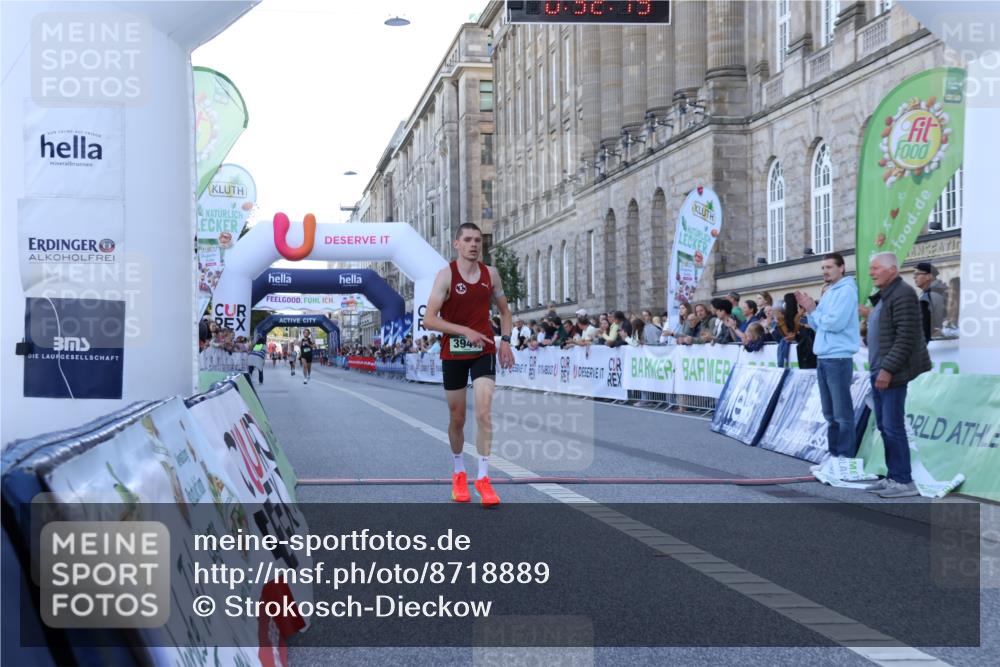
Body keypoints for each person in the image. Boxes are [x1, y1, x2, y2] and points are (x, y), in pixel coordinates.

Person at [422, 223, 515, 507]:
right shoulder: (446, 275)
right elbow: (429, 319)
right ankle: (459, 471)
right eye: (468, 240)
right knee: (458, 418)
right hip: (453, 353)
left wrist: (505, 341)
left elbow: (505, 311)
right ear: (457, 244)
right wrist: (463, 330)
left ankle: (483, 478)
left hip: (483, 349)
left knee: (484, 413)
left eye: (478, 240)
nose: (474, 244)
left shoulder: (491, 274)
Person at [863, 252, 931, 498]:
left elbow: (906, 337)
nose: (871, 272)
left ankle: (903, 481)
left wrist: (887, 369)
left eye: (876, 268)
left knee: (893, 427)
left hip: (892, 373)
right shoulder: (887, 295)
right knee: (885, 426)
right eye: (871, 268)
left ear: (892, 269)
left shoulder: (903, 293)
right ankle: (894, 476)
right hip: (880, 370)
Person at [795, 252, 861, 473]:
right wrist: (810, 310)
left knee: (842, 414)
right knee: (830, 413)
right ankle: (834, 456)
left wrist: (814, 311)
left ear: (842, 268)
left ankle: (844, 458)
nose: (825, 271)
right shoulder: (830, 291)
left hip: (838, 357)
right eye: (823, 268)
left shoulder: (846, 290)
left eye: (829, 267)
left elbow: (835, 324)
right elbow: (817, 325)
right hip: (824, 357)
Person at [913, 262, 947, 341]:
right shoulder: (943, 291)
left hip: (931, 342)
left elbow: (923, 326)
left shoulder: (928, 296)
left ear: (929, 276)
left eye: (917, 274)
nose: (914, 277)